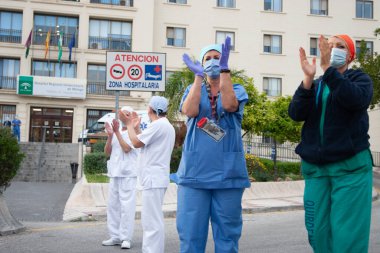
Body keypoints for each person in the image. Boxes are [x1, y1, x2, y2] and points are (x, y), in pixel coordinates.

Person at [288, 34, 373, 253]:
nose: (333, 49)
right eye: (330, 45)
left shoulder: (359, 80)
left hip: (350, 169)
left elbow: (353, 99)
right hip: (317, 171)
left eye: (340, 46)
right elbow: (296, 113)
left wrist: (328, 70)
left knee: (347, 237)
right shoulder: (315, 85)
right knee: (317, 233)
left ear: (350, 56)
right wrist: (307, 80)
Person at [170, 36, 250, 252]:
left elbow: (230, 105)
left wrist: (224, 72)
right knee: (190, 236)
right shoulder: (192, 89)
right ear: (202, 64)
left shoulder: (237, 89)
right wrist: (198, 78)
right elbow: (190, 111)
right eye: (209, 58)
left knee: (227, 236)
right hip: (194, 176)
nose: (213, 61)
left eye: (218, 57)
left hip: (229, 176)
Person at [119, 96, 175, 253]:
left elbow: (136, 143)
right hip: (156, 178)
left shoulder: (158, 125)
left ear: (151, 109)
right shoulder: (164, 125)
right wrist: (135, 128)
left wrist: (129, 124)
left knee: (151, 221)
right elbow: (143, 140)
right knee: (152, 219)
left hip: (153, 178)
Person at [102, 106, 139, 250]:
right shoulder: (116, 132)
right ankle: (115, 236)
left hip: (128, 175)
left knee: (126, 207)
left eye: (126, 114)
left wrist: (116, 132)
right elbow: (107, 152)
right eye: (122, 114)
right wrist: (110, 135)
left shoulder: (133, 132)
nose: (123, 116)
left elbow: (127, 148)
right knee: (113, 207)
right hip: (115, 173)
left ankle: (126, 238)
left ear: (130, 116)